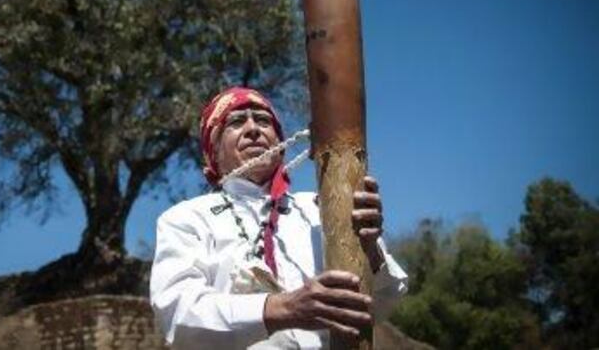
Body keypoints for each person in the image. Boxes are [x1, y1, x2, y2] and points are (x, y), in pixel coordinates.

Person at [150, 87, 408, 349]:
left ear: (280, 142)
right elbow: (177, 314)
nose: (253, 129)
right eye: (236, 122)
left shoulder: (321, 208)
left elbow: (382, 302)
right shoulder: (187, 218)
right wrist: (283, 308)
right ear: (213, 150)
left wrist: (369, 249)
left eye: (263, 120)